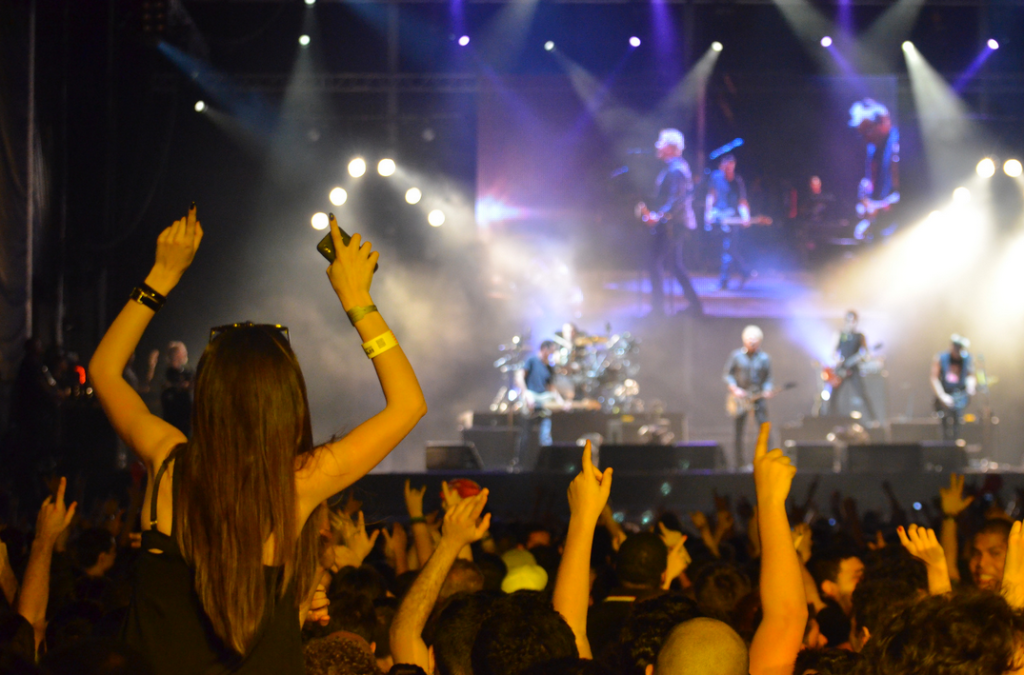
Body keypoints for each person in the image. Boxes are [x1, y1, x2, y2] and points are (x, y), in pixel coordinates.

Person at [87, 206, 427, 674]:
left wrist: (161, 276)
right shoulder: (299, 483)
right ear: (289, 402)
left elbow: (104, 371)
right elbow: (408, 405)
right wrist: (356, 298)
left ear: (206, 394)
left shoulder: (167, 461)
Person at [638, 129, 703, 316]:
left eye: (662, 143)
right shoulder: (673, 168)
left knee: (656, 262)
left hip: (675, 226)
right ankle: (694, 306)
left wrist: (657, 217)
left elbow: (676, 200)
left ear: (672, 148)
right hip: (672, 225)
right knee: (673, 264)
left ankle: (660, 308)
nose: (657, 147)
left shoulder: (677, 170)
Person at [848, 99, 900, 240]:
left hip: (899, 232)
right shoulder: (873, 149)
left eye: (868, 131)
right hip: (882, 231)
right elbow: (873, 190)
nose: (866, 138)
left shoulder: (898, 146)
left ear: (884, 121)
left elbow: (907, 196)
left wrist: (877, 208)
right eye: (862, 134)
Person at [722, 325, 773, 469]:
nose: (752, 342)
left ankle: (764, 461)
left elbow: (769, 378)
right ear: (744, 340)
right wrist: (735, 389)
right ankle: (739, 464)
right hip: (741, 399)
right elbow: (727, 375)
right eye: (749, 339)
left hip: (758, 397)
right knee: (739, 432)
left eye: (755, 340)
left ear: (760, 341)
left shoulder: (764, 358)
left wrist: (767, 389)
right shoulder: (736, 356)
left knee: (764, 428)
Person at [821, 310, 877, 422]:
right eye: (850, 320)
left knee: (862, 393)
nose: (852, 323)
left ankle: (873, 420)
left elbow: (866, 354)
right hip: (841, 369)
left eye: (854, 321)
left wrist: (863, 358)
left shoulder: (860, 336)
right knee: (833, 396)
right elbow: (833, 353)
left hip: (854, 369)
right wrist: (838, 360)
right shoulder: (840, 334)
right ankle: (829, 419)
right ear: (846, 321)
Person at [705, 154, 750, 291]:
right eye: (727, 167)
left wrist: (745, 216)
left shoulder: (737, 181)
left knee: (727, 250)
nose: (729, 170)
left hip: (732, 219)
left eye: (732, 168)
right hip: (718, 216)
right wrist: (708, 212)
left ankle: (723, 281)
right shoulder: (715, 177)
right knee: (730, 250)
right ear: (722, 166)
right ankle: (744, 271)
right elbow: (711, 195)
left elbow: (742, 201)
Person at [515, 340, 567, 447]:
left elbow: (551, 388)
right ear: (544, 349)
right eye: (551, 351)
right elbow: (519, 377)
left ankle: (546, 460)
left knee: (546, 436)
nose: (552, 354)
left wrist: (561, 402)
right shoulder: (531, 360)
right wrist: (526, 394)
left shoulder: (549, 368)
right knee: (525, 436)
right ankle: (521, 461)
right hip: (530, 403)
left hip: (543, 406)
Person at [931, 334, 976, 441]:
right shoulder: (941, 358)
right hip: (945, 395)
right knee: (944, 427)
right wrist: (942, 396)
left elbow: (971, 376)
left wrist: (971, 386)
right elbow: (934, 378)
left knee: (957, 425)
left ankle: (956, 446)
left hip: (959, 396)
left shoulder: (967, 359)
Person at [159, 342, 193, 438]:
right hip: (173, 418)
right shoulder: (166, 374)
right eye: (183, 352)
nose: (185, 354)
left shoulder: (186, 372)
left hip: (185, 419)